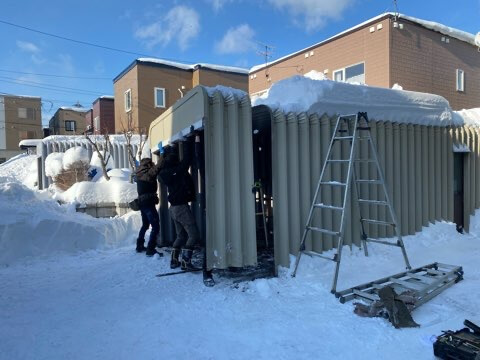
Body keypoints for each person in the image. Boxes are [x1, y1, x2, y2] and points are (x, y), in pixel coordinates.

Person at [158, 141, 200, 271]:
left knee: (181, 236)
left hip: (174, 209)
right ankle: (186, 262)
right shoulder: (176, 171)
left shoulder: (165, 172)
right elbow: (186, 161)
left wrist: (163, 152)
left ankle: (174, 260)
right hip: (181, 207)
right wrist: (186, 141)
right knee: (193, 234)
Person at [135, 157, 161, 256]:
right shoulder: (148, 174)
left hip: (142, 203)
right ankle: (150, 249)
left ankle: (139, 245)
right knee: (155, 226)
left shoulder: (139, 173)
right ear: (148, 165)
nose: (153, 164)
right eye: (151, 164)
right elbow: (158, 168)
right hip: (148, 203)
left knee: (145, 225)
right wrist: (162, 155)